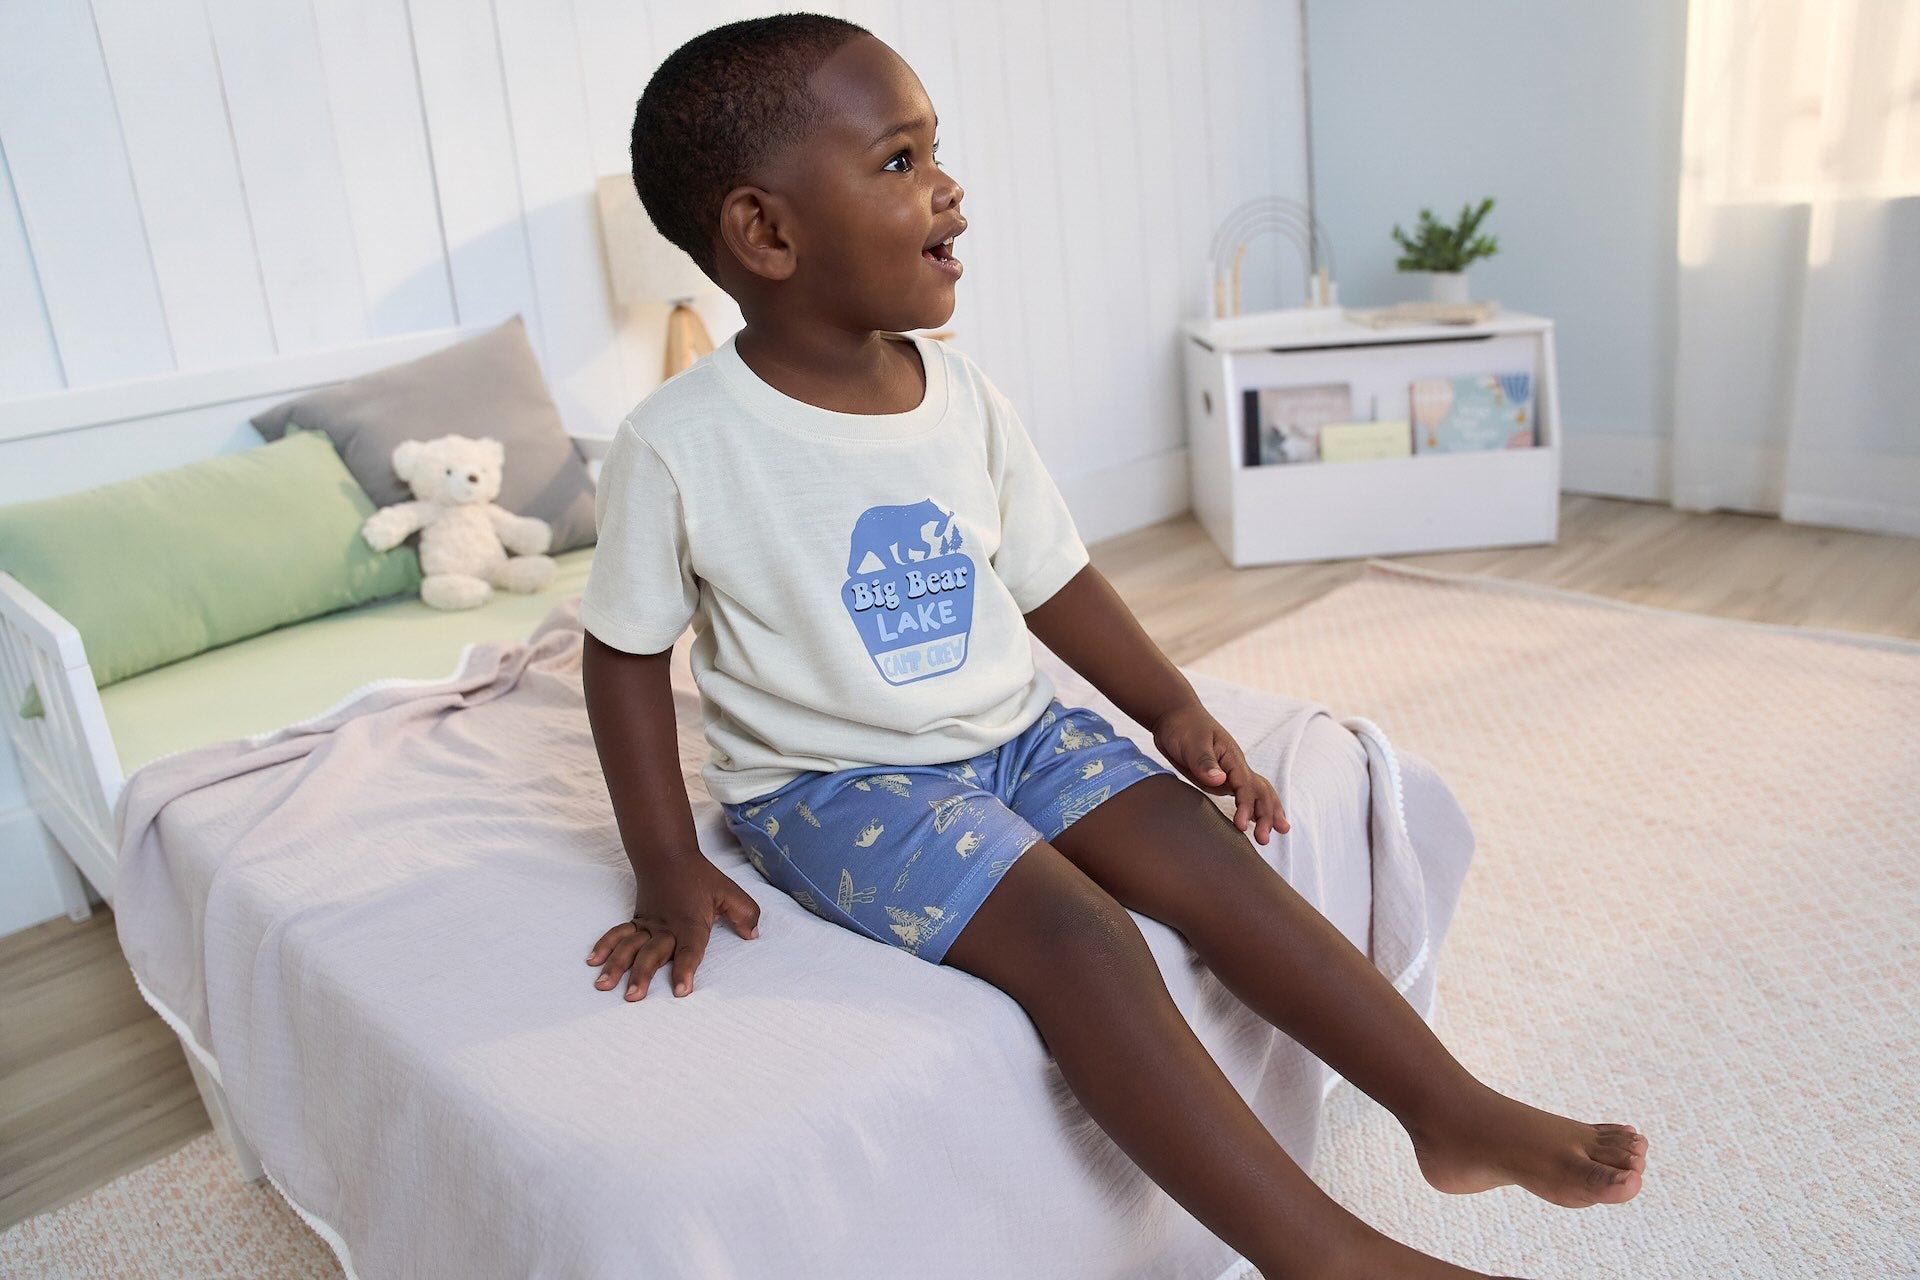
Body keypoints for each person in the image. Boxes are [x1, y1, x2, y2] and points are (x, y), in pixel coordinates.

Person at [578, 15, 1647, 1280]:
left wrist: (1172, 705)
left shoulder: (960, 395)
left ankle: (1448, 1111)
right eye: (898, 160)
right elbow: (624, 654)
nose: (949, 186)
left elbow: (1051, 576)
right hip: (842, 783)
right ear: (766, 232)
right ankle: (1320, 1253)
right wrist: (663, 861)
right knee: (1083, 940)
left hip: (1015, 731)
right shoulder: (680, 442)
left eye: (938, 151)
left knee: (1208, 860)